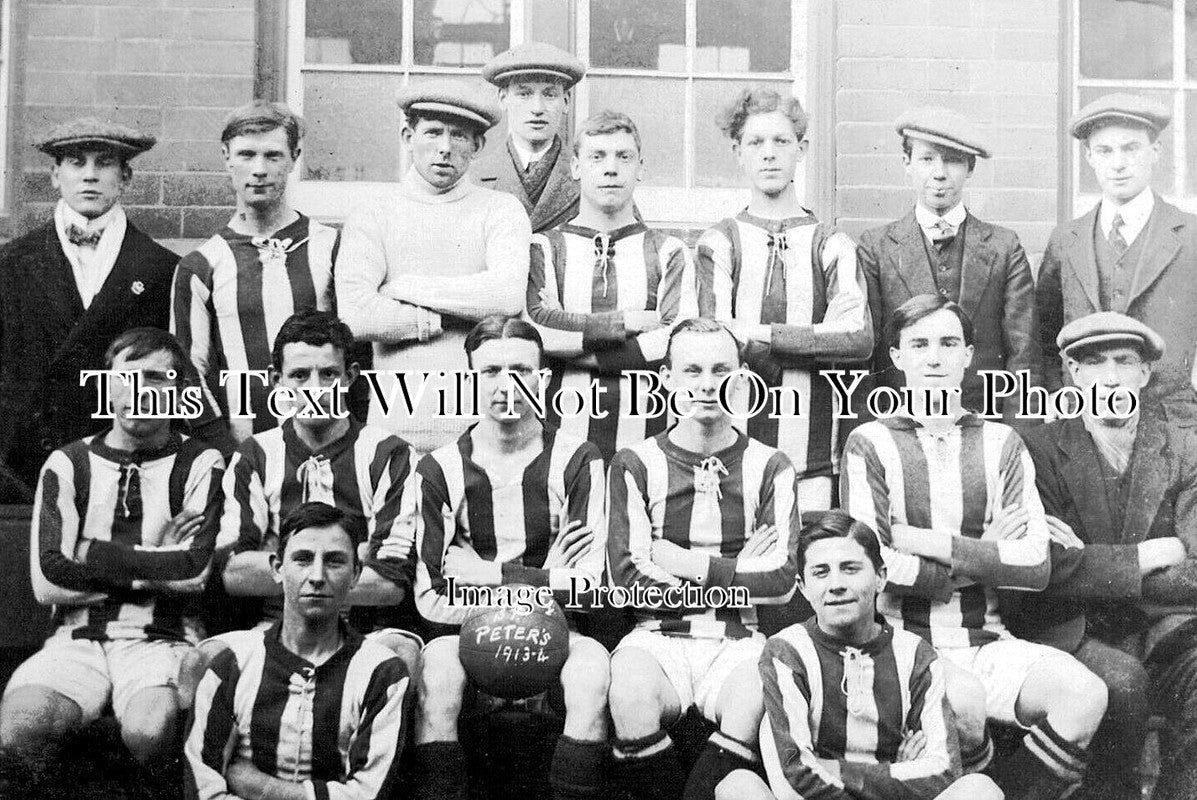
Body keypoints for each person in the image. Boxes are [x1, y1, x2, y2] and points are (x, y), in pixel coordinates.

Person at [840, 294, 1109, 800]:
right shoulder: (869, 443)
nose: (934, 358)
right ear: (897, 357)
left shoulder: (1002, 443)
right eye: (918, 345)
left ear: (968, 355)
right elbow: (872, 566)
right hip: (898, 645)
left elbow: (1033, 564)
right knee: (959, 704)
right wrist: (983, 551)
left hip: (985, 640)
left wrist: (924, 541)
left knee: (1085, 695)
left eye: (948, 343)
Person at [0, 328, 224, 773]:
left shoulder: (201, 462)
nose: (139, 391)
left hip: (163, 638)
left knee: (149, 731)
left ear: (179, 391)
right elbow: (48, 581)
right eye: (127, 377)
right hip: (76, 638)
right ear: (107, 384)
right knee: (19, 729)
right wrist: (155, 555)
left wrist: (87, 551)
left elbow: (194, 570)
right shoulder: (68, 463)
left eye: (157, 379)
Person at [411, 316, 608, 800]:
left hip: (565, 630)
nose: (506, 385)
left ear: (542, 378)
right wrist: (545, 576)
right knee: (435, 672)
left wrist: (491, 573)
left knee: (593, 671)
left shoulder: (579, 459)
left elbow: (591, 588)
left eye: (520, 369)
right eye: (490, 371)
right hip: (462, 633)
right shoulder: (438, 468)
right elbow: (430, 598)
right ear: (469, 380)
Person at [606, 317, 802, 800]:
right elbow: (626, 576)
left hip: (741, 639)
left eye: (721, 369)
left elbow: (781, 580)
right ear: (667, 378)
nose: (707, 384)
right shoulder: (635, 461)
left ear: (742, 378)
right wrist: (738, 569)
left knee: (753, 693)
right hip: (655, 636)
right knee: (629, 694)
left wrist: (686, 562)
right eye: (692, 370)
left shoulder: (770, 464)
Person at [1011, 312, 1197, 800]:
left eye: (1124, 361)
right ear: (1072, 373)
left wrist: (1091, 561)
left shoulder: (1184, 448)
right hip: (1076, 628)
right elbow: (1046, 567)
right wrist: (1150, 554)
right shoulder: (1039, 447)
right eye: (1093, 363)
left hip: (1165, 629)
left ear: (1145, 373)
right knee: (1122, 686)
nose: (1110, 377)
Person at [716, 510, 1001, 800]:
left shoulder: (916, 655)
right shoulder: (786, 652)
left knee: (981, 790)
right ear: (803, 587)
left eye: (850, 568)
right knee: (736, 787)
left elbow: (943, 772)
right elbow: (796, 771)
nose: (836, 584)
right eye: (821, 572)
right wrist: (893, 772)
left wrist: (832, 767)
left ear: (880, 578)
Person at [215, 310, 421, 669]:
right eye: (299, 375)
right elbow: (234, 574)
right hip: (274, 627)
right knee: (206, 658)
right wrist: (354, 559)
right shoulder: (255, 454)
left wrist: (282, 562)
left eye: (328, 374)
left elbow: (390, 584)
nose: (314, 389)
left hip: (370, 631)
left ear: (351, 377)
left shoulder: (389, 454)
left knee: (399, 656)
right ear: (276, 380)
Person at [697, 87, 870, 510]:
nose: (769, 154)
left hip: (812, 458)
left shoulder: (832, 244)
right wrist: (811, 342)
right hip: (730, 450)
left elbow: (855, 339)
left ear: (801, 149)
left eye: (781, 142)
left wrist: (759, 334)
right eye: (756, 143)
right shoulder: (720, 242)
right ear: (738, 152)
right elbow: (716, 341)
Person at [335, 80, 531, 454]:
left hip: (480, 436)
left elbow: (505, 296)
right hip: (394, 431)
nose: (444, 148)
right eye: (432, 132)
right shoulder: (373, 213)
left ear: (477, 145)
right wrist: (441, 320)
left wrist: (403, 288)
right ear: (408, 135)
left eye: (459, 135)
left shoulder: (500, 210)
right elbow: (356, 315)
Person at [184, 501, 412, 800]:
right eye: (303, 559)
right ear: (278, 569)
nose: (317, 576)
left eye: (334, 561)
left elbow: (369, 794)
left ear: (356, 574)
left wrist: (264, 789)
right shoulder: (232, 663)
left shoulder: (382, 672)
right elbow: (203, 789)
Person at [0, 118, 176, 502]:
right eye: (77, 163)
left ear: (125, 177)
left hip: (124, 468)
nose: (90, 176)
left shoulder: (162, 269)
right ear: (54, 176)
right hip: (24, 470)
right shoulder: (11, 263)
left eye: (104, 163)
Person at [526, 110, 698, 463]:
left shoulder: (668, 251)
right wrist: (627, 324)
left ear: (640, 168)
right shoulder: (544, 248)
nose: (610, 168)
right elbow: (536, 334)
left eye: (623, 157)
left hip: (650, 435)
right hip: (561, 431)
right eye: (597, 157)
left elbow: (677, 339)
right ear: (575, 167)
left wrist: (578, 344)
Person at [172, 100, 339, 451]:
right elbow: (188, 374)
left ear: (294, 157)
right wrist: (228, 452)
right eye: (246, 155)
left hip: (327, 444)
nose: (259, 169)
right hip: (240, 449)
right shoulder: (201, 265)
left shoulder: (330, 247)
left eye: (273, 156)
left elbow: (358, 355)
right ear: (226, 157)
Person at [857, 107, 1040, 422]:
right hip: (900, 429)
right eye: (927, 159)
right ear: (907, 164)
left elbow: (1024, 357)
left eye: (953, 160)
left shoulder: (1004, 248)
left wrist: (1017, 442)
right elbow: (865, 358)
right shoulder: (876, 248)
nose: (939, 173)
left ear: (970, 168)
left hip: (984, 427)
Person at [1037, 93, 1197, 414]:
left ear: (1155, 152)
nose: (1118, 163)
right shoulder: (1066, 239)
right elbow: (1043, 335)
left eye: (1130, 148)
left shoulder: (1191, 236)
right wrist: (1059, 399)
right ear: (1089, 157)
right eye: (1105, 151)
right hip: (1082, 419)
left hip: (1169, 421)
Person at [476, 41, 587, 233]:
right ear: (503, 99)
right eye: (524, 94)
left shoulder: (591, 179)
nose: (537, 108)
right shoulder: (473, 178)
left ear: (566, 101)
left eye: (550, 94)